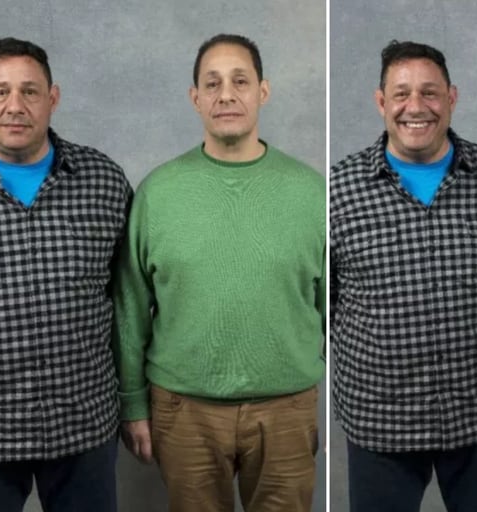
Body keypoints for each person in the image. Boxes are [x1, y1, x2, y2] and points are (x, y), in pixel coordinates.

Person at [112, 33, 325, 512]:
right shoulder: (158, 193)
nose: (226, 94)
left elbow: (340, 311)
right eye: (212, 83)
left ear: (263, 92)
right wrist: (132, 403)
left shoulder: (312, 193)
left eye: (239, 81)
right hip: (183, 411)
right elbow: (130, 308)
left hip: (287, 409)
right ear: (195, 98)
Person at [330, 40, 477, 512]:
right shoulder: (339, 191)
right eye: (401, 94)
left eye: (430, 93)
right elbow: (324, 303)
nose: (415, 107)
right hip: (381, 421)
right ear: (381, 102)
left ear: (452, 98)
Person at [0, 36, 132, 512]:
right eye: (1, 91)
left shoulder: (104, 181)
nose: (15, 105)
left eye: (30, 91)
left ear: (53, 98)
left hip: (83, 428)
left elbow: (129, 298)